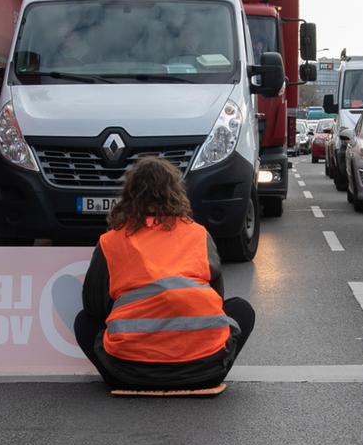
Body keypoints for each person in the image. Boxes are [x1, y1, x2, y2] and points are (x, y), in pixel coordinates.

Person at [72, 157, 255, 390]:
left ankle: (129, 364)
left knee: (83, 321)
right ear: (176, 193)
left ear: (129, 195)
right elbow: (217, 301)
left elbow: (93, 306)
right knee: (241, 309)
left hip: (127, 372)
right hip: (204, 371)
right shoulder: (198, 234)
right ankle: (202, 365)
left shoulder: (111, 241)